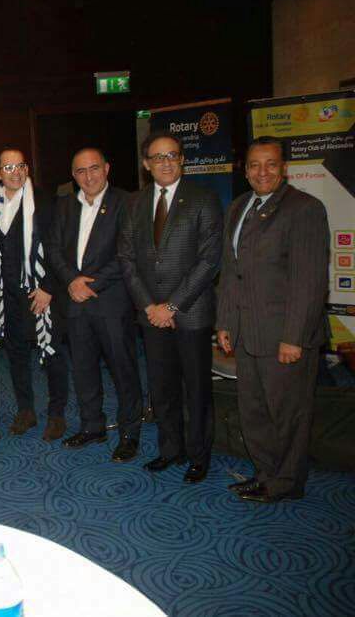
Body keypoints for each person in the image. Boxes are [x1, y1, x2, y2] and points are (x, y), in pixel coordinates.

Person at [217, 136, 329, 503]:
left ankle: (287, 483)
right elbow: (231, 272)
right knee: (254, 411)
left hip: (284, 335)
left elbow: (308, 282)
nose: (261, 172)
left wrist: (294, 337)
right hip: (247, 333)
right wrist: (225, 323)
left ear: (284, 168)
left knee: (287, 415)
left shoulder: (304, 209)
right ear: (245, 169)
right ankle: (265, 474)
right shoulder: (238, 207)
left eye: (270, 164)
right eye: (254, 165)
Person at [117, 133, 222, 483]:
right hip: (150, 315)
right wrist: (150, 306)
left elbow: (209, 261)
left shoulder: (204, 199)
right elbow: (126, 259)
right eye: (158, 157)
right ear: (146, 164)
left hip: (190, 312)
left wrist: (172, 306)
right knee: (161, 387)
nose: (165, 162)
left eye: (172, 155)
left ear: (182, 160)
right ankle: (170, 449)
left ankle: (198, 455)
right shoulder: (134, 203)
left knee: (196, 388)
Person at [47, 148, 142, 461]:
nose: (88, 177)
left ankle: (129, 433)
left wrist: (90, 284)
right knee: (84, 369)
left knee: (123, 371)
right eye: (81, 171)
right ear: (73, 176)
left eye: (94, 168)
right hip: (74, 303)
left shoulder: (126, 203)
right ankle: (92, 426)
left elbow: (127, 253)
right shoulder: (64, 205)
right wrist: (71, 281)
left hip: (111, 302)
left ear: (107, 168)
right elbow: (53, 249)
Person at [0, 149, 70, 441]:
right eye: (8, 167)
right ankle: (26, 411)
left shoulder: (46, 201)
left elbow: (59, 247)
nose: (16, 172)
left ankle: (57, 414)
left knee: (52, 353)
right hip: (8, 296)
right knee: (16, 356)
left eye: (20, 165)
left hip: (41, 292)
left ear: (27, 168)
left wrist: (49, 287)